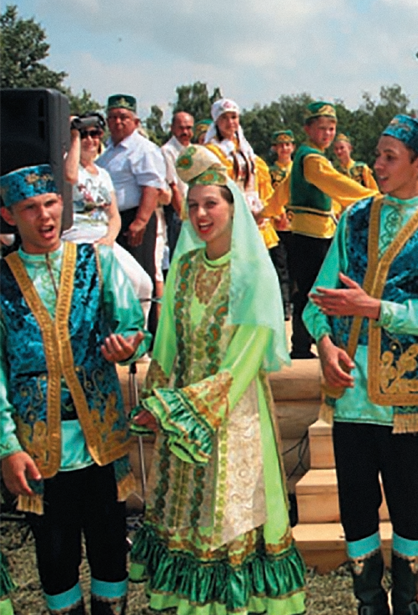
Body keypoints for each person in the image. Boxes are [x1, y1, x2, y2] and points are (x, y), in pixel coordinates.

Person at [129, 145, 305, 614]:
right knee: (184, 513)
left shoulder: (252, 274)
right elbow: (167, 342)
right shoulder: (184, 267)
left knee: (229, 514)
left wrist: (185, 410)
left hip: (233, 413)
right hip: (181, 414)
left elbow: (245, 360)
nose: (202, 213)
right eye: (194, 204)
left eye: (212, 203)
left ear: (232, 207)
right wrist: (157, 400)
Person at [304, 115, 418, 615]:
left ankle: (409, 602)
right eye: (377, 154)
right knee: (355, 505)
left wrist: (375, 308)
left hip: (403, 397)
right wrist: (326, 347)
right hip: (349, 391)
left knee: (406, 503)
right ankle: (369, 602)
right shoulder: (353, 218)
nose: (377, 164)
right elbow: (316, 300)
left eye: (390, 157)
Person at [0, 164, 149, 615]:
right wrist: (7, 445)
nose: (43, 216)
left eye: (49, 204)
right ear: (9, 216)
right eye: (30, 208)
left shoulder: (97, 262)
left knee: (109, 545)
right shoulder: (2, 281)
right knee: (55, 553)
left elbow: (131, 326)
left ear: (63, 205)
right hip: (37, 449)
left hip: (100, 439)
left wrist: (124, 346)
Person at [275, 101, 375, 358]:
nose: (328, 134)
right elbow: (336, 184)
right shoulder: (312, 159)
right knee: (316, 290)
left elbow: (284, 190)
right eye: (322, 128)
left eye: (331, 129)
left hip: (314, 232)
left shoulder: (304, 157)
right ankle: (304, 345)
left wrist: (265, 210)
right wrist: (374, 198)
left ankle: (306, 344)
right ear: (308, 129)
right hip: (312, 235)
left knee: (311, 290)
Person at [62, 113, 156, 323]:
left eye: (95, 134)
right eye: (84, 134)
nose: (90, 140)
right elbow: (70, 178)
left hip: (103, 237)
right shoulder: (65, 164)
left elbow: (113, 215)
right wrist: (74, 137)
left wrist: (109, 239)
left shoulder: (103, 173)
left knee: (143, 284)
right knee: (106, 287)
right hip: (76, 235)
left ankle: (135, 339)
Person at [95, 94, 170, 328]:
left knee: (142, 277)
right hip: (111, 221)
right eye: (113, 117)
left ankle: (146, 334)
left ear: (136, 122)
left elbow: (151, 186)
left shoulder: (143, 149)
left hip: (135, 218)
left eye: (124, 117)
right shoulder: (107, 152)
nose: (118, 122)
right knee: (118, 277)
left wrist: (140, 221)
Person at [205, 98, 279, 250]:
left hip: (254, 208)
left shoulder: (247, 151)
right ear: (216, 122)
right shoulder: (211, 152)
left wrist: (270, 210)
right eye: (224, 118)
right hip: (230, 209)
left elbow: (262, 185)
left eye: (234, 117)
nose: (230, 122)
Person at [265, 129, 295, 317]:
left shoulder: (298, 169)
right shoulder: (270, 172)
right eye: (280, 145)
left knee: (297, 265)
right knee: (281, 266)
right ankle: (284, 303)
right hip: (278, 226)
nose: (284, 148)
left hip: (299, 223)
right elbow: (268, 196)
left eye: (287, 144)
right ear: (274, 148)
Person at [159, 111, 192, 255]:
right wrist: (183, 217)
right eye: (181, 128)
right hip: (178, 210)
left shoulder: (194, 150)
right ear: (172, 128)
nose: (185, 132)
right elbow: (173, 186)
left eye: (189, 128)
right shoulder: (167, 151)